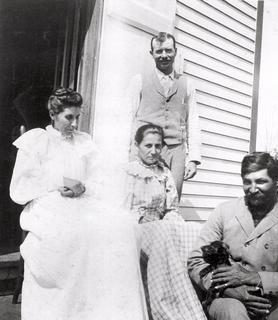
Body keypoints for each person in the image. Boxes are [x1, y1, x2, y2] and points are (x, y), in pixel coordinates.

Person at [10, 87, 147, 320]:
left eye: (77, 117)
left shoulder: (84, 142)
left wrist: (85, 187)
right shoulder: (37, 140)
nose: (74, 123)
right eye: (68, 117)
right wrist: (54, 187)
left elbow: (99, 178)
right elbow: (21, 187)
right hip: (47, 203)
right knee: (75, 234)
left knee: (122, 225)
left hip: (82, 200)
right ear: (53, 114)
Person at [126, 124, 207, 320]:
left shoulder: (164, 173)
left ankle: (195, 297)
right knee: (163, 232)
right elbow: (118, 209)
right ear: (137, 145)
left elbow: (171, 208)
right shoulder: (128, 172)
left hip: (159, 226)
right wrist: (138, 218)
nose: (153, 151)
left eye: (158, 146)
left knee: (194, 230)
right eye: (148, 146)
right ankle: (165, 308)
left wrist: (173, 222)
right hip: (133, 227)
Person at [187, 152, 278, 320]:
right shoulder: (225, 211)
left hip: (272, 300)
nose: (252, 189)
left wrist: (256, 277)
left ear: (275, 182)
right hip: (227, 297)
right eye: (247, 182)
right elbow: (196, 260)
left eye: (261, 181)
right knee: (233, 312)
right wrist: (230, 289)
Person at [128, 32, 201, 199]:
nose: (164, 56)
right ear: (151, 53)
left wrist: (193, 159)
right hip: (145, 149)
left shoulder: (187, 84)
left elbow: (193, 121)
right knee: (142, 201)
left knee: (171, 202)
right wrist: (128, 155)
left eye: (168, 51)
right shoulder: (139, 81)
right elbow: (127, 118)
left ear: (175, 52)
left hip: (176, 152)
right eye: (159, 51)